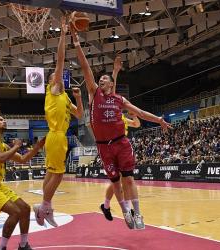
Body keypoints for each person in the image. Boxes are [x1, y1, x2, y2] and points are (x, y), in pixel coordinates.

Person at [71, 28, 171, 230]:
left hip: (121, 143)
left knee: (129, 179)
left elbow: (141, 113)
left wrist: (158, 119)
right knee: (115, 183)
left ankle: (138, 213)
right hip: (104, 147)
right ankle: (125, 211)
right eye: (100, 79)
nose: (101, 80)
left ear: (112, 83)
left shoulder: (119, 99)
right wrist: (77, 44)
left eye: (105, 78)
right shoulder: (94, 94)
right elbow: (85, 67)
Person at [33, 17, 83, 228]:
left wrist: (79, 98)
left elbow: (80, 115)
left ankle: (45, 207)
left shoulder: (64, 98)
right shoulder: (53, 92)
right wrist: (63, 34)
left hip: (58, 137)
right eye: (57, 76)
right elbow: (60, 61)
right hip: (55, 135)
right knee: (59, 174)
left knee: (51, 173)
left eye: (60, 77)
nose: (60, 78)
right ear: (53, 81)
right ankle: (44, 206)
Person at [0, 115, 45, 250]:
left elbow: (23, 159)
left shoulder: (3, 145)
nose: (4, 121)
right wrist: (17, 146)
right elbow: (1, 158)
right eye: (0, 120)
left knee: (25, 209)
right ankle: (1, 247)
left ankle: (23, 245)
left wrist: (37, 147)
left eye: (4, 119)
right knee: (15, 212)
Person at [100, 56, 141, 221]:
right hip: (108, 147)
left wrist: (135, 114)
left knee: (125, 181)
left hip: (121, 146)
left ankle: (125, 210)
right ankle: (107, 204)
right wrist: (115, 71)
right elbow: (112, 92)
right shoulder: (108, 108)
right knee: (115, 182)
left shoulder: (124, 119)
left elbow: (137, 124)